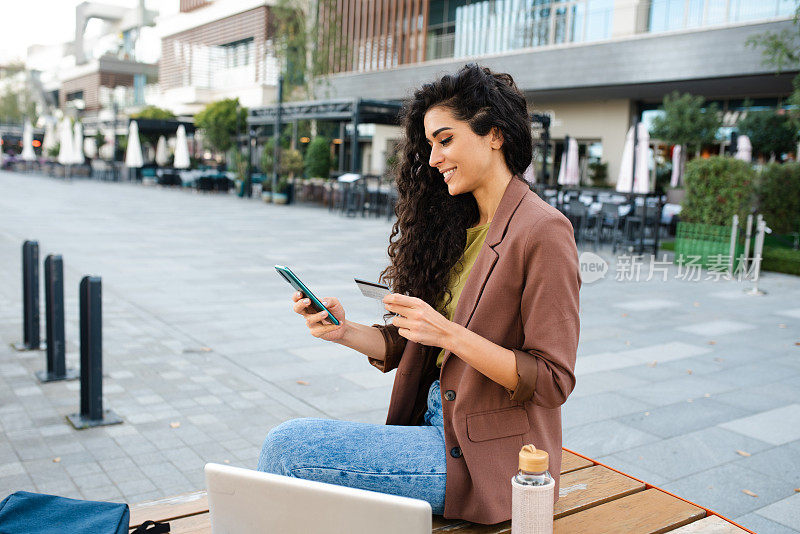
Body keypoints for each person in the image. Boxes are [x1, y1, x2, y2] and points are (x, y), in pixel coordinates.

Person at [257, 63, 580, 525]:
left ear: (494, 134)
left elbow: (552, 380)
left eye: (445, 140)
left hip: (487, 459)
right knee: (293, 464)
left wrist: (448, 334)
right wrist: (345, 331)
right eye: (428, 145)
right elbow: (414, 343)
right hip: (432, 427)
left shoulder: (543, 231)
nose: (433, 159)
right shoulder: (457, 226)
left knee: (287, 450)